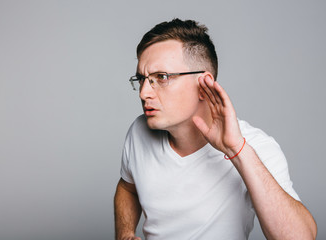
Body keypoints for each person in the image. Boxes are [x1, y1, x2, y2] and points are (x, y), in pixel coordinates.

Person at [114, 19, 317, 240]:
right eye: (142, 79)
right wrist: (125, 233)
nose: (144, 93)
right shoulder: (139, 133)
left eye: (161, 78)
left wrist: (236, 149)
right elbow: (128, 188)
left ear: (204, 85)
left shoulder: (256, 146)